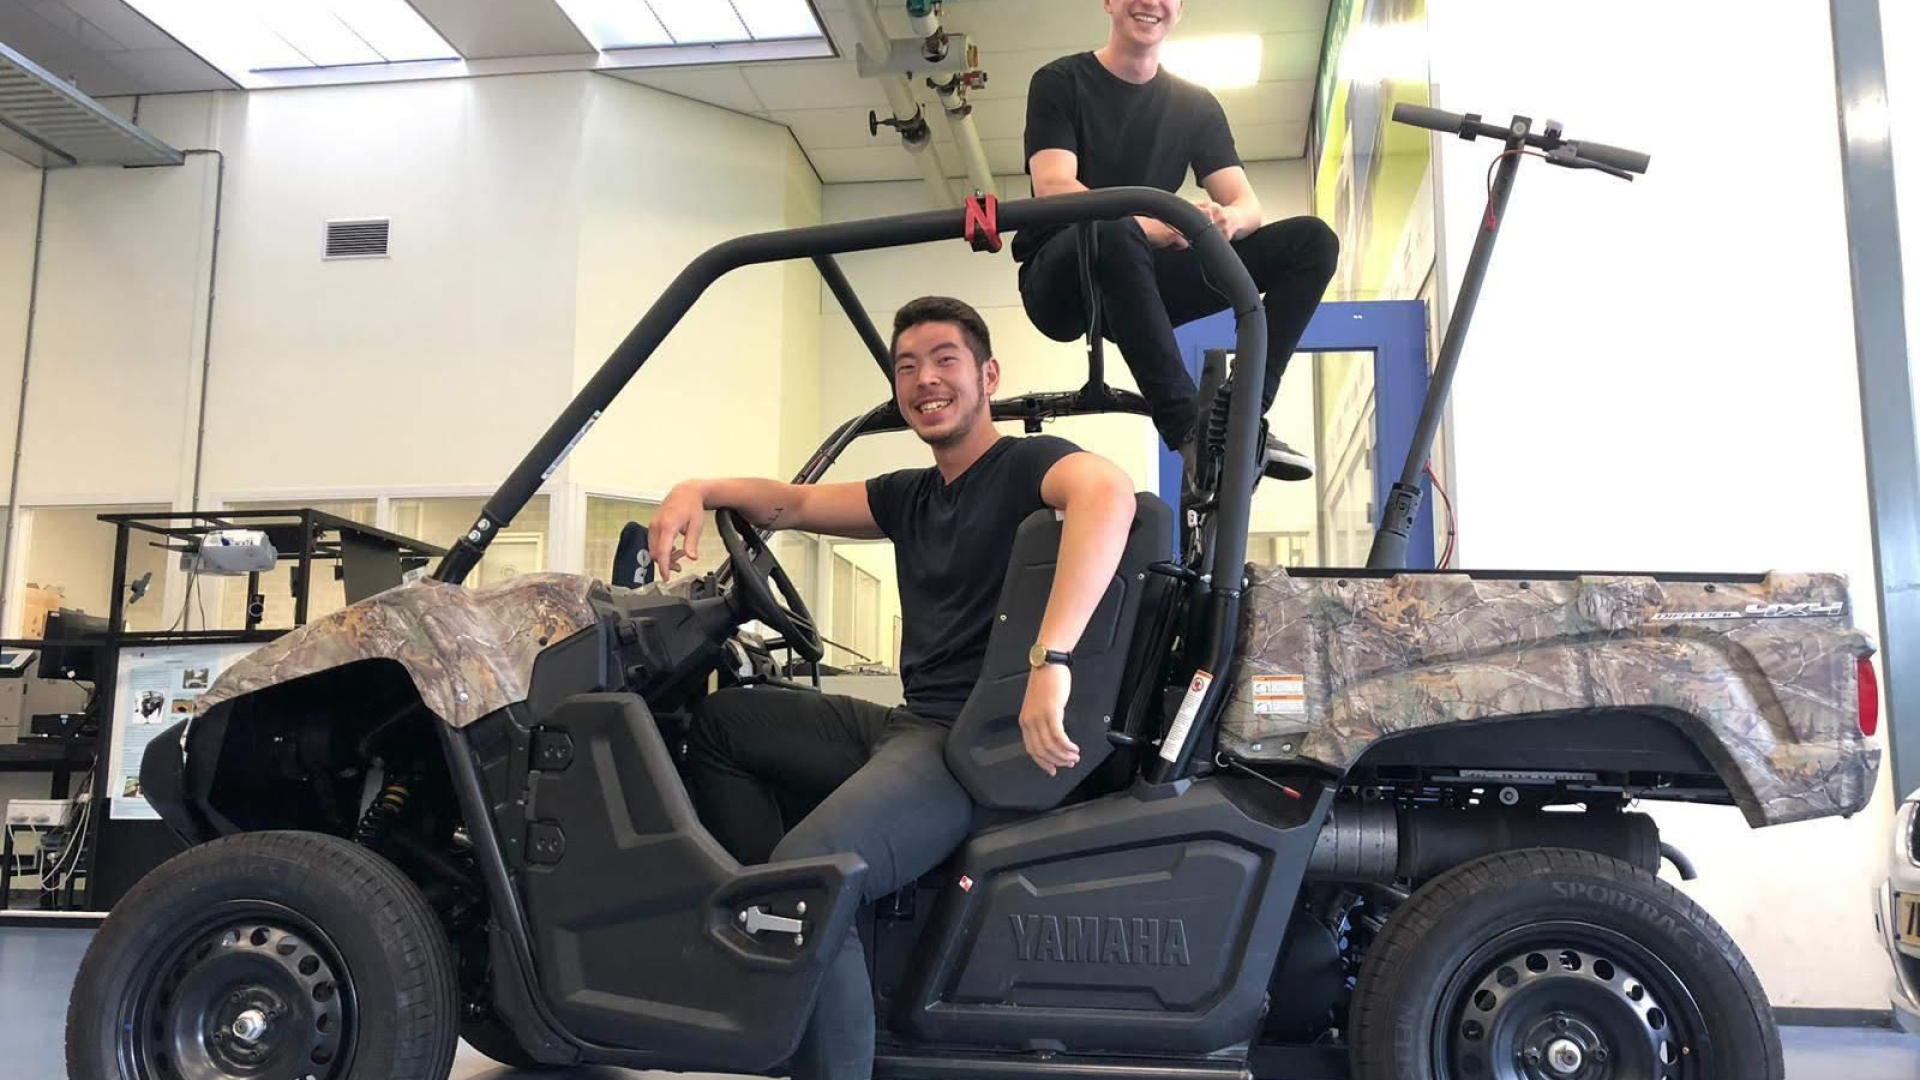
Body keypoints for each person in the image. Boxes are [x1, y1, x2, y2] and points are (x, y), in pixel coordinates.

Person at [648, 296, 1140, 1080]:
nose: (925, 380)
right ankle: (778, 953)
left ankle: (801, 936)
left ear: (988, 376)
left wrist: (1052, 659)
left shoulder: (1025, 466)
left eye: (945, 360)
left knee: (808, 875)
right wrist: (697, 489)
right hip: (911, 725)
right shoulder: (913, 494)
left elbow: (1109, 493)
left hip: (966, 746)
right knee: (722, 724)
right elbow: (793, 503)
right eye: (907, 367)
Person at [1016, 0, 1341, 478]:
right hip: (1064, 278)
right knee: (1113, 228)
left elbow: (1247, 204)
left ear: (1180, 7)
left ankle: (1241, 418)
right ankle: (1190, 431)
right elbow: (1054, 186)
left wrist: (1225, 221)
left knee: (1312, 242)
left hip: (1141, 277)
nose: (1151, 3)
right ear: (1109, 2)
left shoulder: (1195, 104)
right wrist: (1153, 226)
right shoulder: (1060, 81)